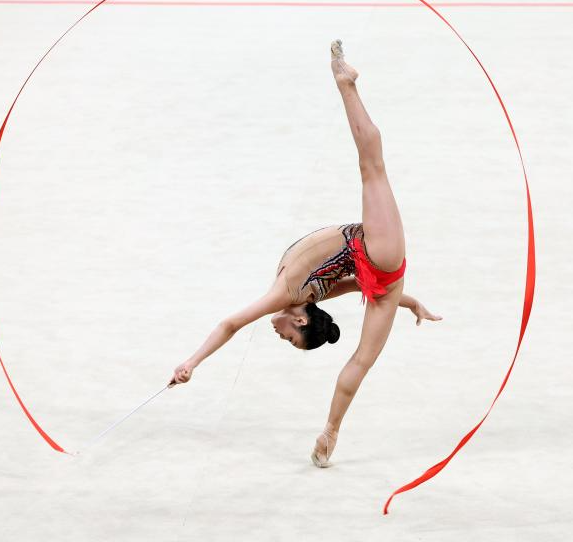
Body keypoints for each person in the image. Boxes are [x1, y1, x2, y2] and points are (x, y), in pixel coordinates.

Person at [169, 40, 443, 467]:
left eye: (289, 341)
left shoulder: (304, 296)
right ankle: (345, 84)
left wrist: (409, 302)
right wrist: (191, 362)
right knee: (372, 166)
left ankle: (331, 434)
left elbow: (351, 286)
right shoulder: (293, 297)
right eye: (293, 339)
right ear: (300, 321)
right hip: (382, 258)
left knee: (372, 167)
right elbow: (232, 324)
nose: (282, 337)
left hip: (381, 278)